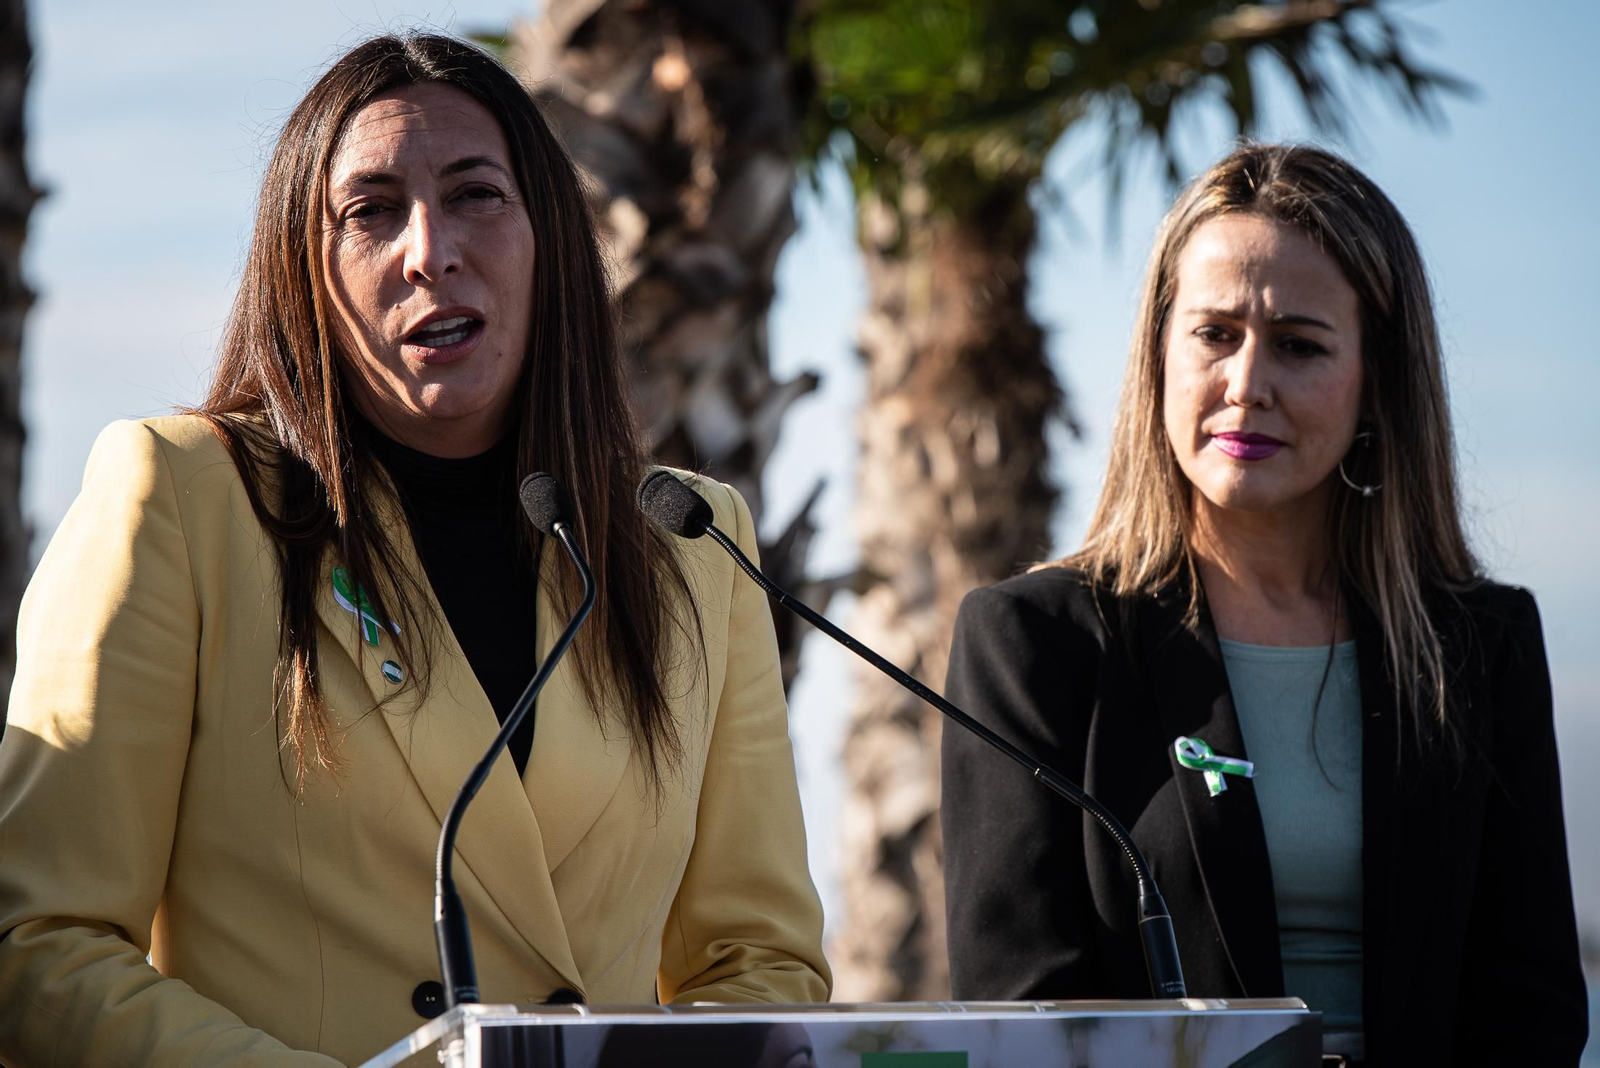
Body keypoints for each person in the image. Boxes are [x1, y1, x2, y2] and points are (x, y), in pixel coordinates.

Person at [0, 34, 828, 1068]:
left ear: (550, 240)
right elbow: (39, 948)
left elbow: (757, 962)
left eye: (476, 194)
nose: (428, 250)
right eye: (371, 210)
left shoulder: (689, 541)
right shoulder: (181, 496)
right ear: (304, 267)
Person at [940, 143, 1587, 1066]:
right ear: (1158, 356)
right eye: (1214, 334)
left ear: (1377, 381)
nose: (1247, 383)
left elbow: (1531, 1015)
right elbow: (1023, 1012)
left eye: (1299, 344)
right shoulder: (1032, 642)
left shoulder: (1482, 644)